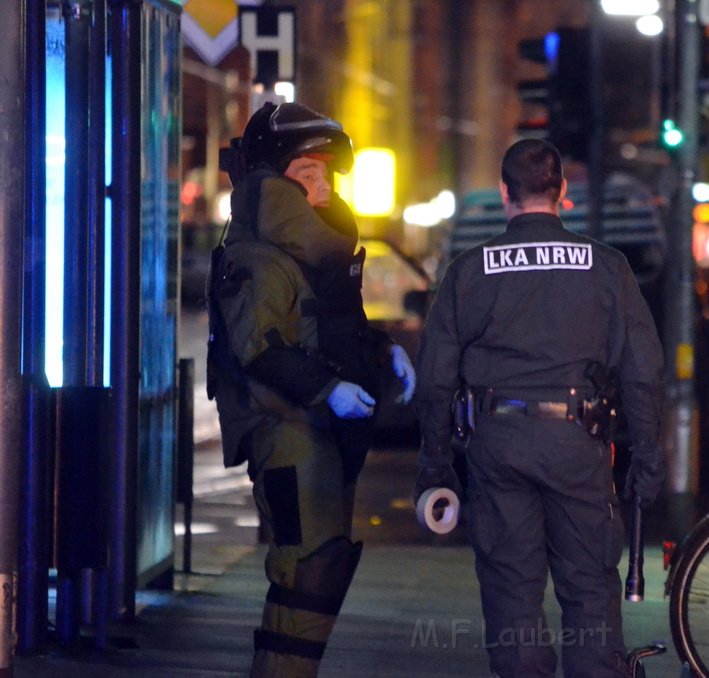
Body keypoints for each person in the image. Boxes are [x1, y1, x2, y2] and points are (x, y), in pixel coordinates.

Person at [413, 138, 665, 677]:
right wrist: (646, 454)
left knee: (511, 590)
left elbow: (434, 375)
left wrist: (435, 461)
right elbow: (642, 369)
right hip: (578, 445)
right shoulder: (607, 268)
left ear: (505, 192)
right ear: (562, 192)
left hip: (497, 443)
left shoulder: (468, 271)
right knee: (590, 592)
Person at [207, 101, 415, 677]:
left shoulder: (311, 251)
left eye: (328, 171)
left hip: (317, 433)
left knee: (316, 580)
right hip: (289, 431)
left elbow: (330, 324)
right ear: (279, 179)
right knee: (306, 577)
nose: (324, 183)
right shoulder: (264, 255)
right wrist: (329, 390)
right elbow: (259, 347)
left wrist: (380, 352)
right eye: (309, 171)